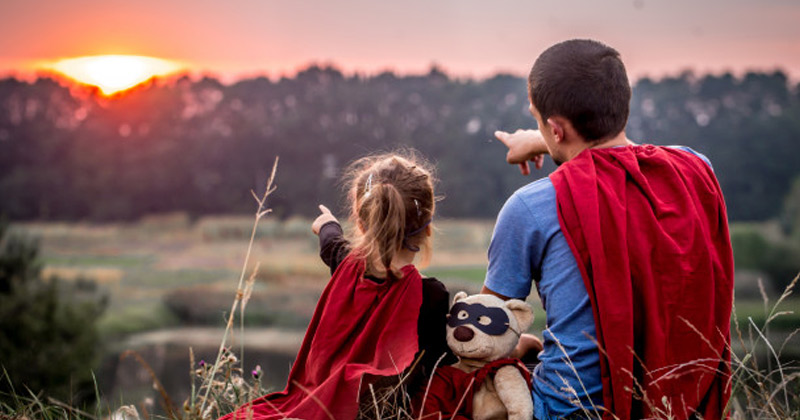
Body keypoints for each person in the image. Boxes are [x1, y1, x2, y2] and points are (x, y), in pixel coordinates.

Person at [482, 39, 734, 420]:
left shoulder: (530, 208)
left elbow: (485, 333)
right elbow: (616, 153)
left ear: (555, 128)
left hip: (573, 410)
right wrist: (541, 139)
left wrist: (523, 346)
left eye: (537, 120)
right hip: (685, 406)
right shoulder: (696, 170)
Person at [222, 153, 453, 420]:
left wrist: (327, 224)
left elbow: (331, 244)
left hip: (318, 405)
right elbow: (440, 367)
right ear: (427, 228)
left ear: (362, 224)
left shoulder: (346, 266)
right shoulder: (432, 295)